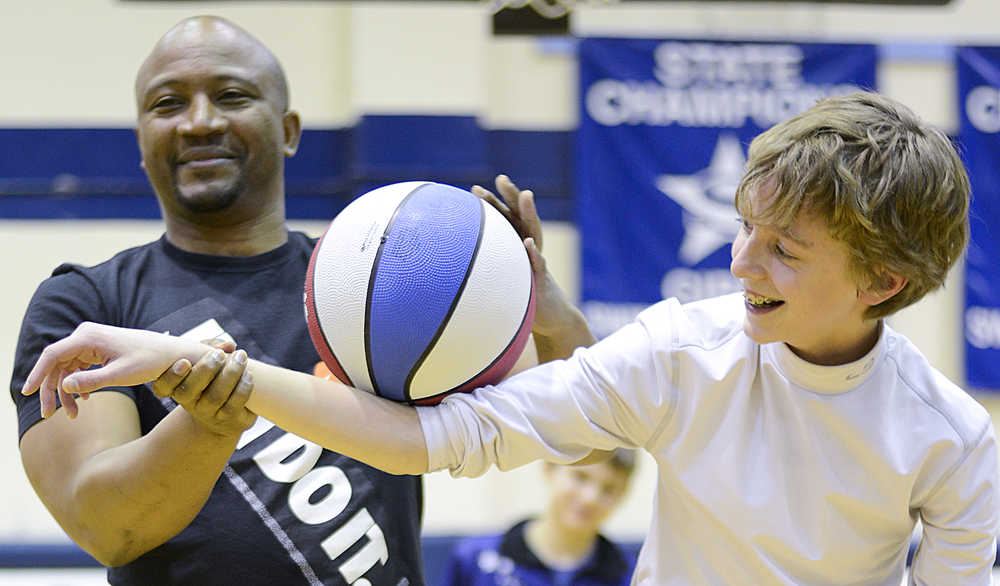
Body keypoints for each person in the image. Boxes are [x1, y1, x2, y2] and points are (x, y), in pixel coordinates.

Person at [22, 92, 1000, 584]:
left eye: (784, 249)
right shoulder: (683, 354)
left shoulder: (950, 439)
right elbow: (423, 436)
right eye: (744, 226)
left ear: (883, 280)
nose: (743, 263)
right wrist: (191, 364)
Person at [8, 14, 589, 586]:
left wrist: (549, 317)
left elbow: (587, 447)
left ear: (288, 130)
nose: (199, 122)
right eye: (167, 104)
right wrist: (210, 424)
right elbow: (106, 526)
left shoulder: (380, 284)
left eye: (232, 96)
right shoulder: (88, 304)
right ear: (141, 141)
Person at [442, 448, 637, 586]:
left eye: (609, 489)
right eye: (580, 477)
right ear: (549, 468)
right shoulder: (474, 559)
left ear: (624, 494)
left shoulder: (633, 577)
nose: (590, 498)